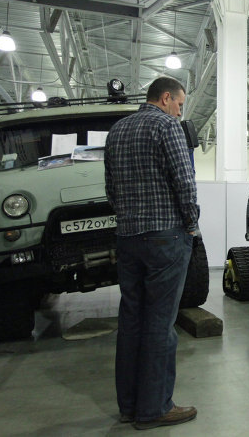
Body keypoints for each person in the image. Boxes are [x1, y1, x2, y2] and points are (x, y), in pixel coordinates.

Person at [104, 77, 200, 430]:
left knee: (131, 322)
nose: (179, 110)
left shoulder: (117, 131)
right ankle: (155, 408)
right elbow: (184, 180)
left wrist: (128, 218)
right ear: (165, 98)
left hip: (127, 238)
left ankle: (129, 406)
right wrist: (191, 223)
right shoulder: (166, 126)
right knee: (160, 323)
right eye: (179, 103)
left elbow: (111, 188)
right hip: (165, 238)